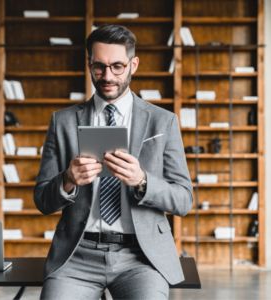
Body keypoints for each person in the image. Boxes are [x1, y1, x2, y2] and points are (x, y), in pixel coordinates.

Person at [34, 24, 193, 299]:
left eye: (117, 66)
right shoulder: (62, 122)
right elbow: (42, 200)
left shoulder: (162, 121)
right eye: (99, 66)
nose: (107, 76)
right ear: (88, 64)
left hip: (141, 258)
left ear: (134, 64)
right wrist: (67, 180)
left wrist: (142, 181)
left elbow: (183, 200)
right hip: (77, 256)